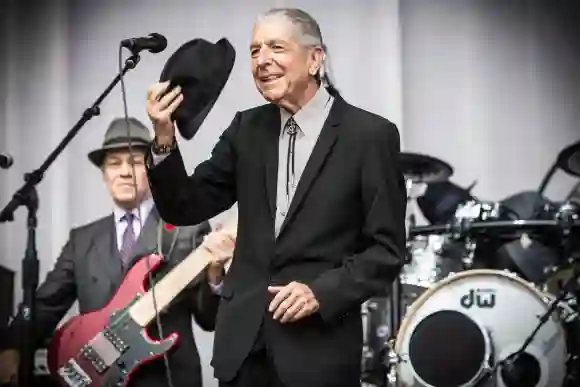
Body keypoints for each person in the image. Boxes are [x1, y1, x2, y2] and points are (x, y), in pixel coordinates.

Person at [145, 7, 406, 387]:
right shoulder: (245, 130)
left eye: (276, 48)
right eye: (254, 51)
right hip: (242, 350)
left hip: (319, 352)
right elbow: (184, 206)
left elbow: (387, 251)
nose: (262, 61)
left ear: (315, 58)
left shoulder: (369, 136)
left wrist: (321, 291)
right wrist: (164, 137)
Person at [0, 117, 234, 387]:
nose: (125, 172)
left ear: (150, 169)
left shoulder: (187, 229)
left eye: (135, 162)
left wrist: (216, 277)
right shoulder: (82, 240)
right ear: (104, 174)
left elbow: (209, 320)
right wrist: (10, 347)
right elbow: (44, 305)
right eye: (114, 163)